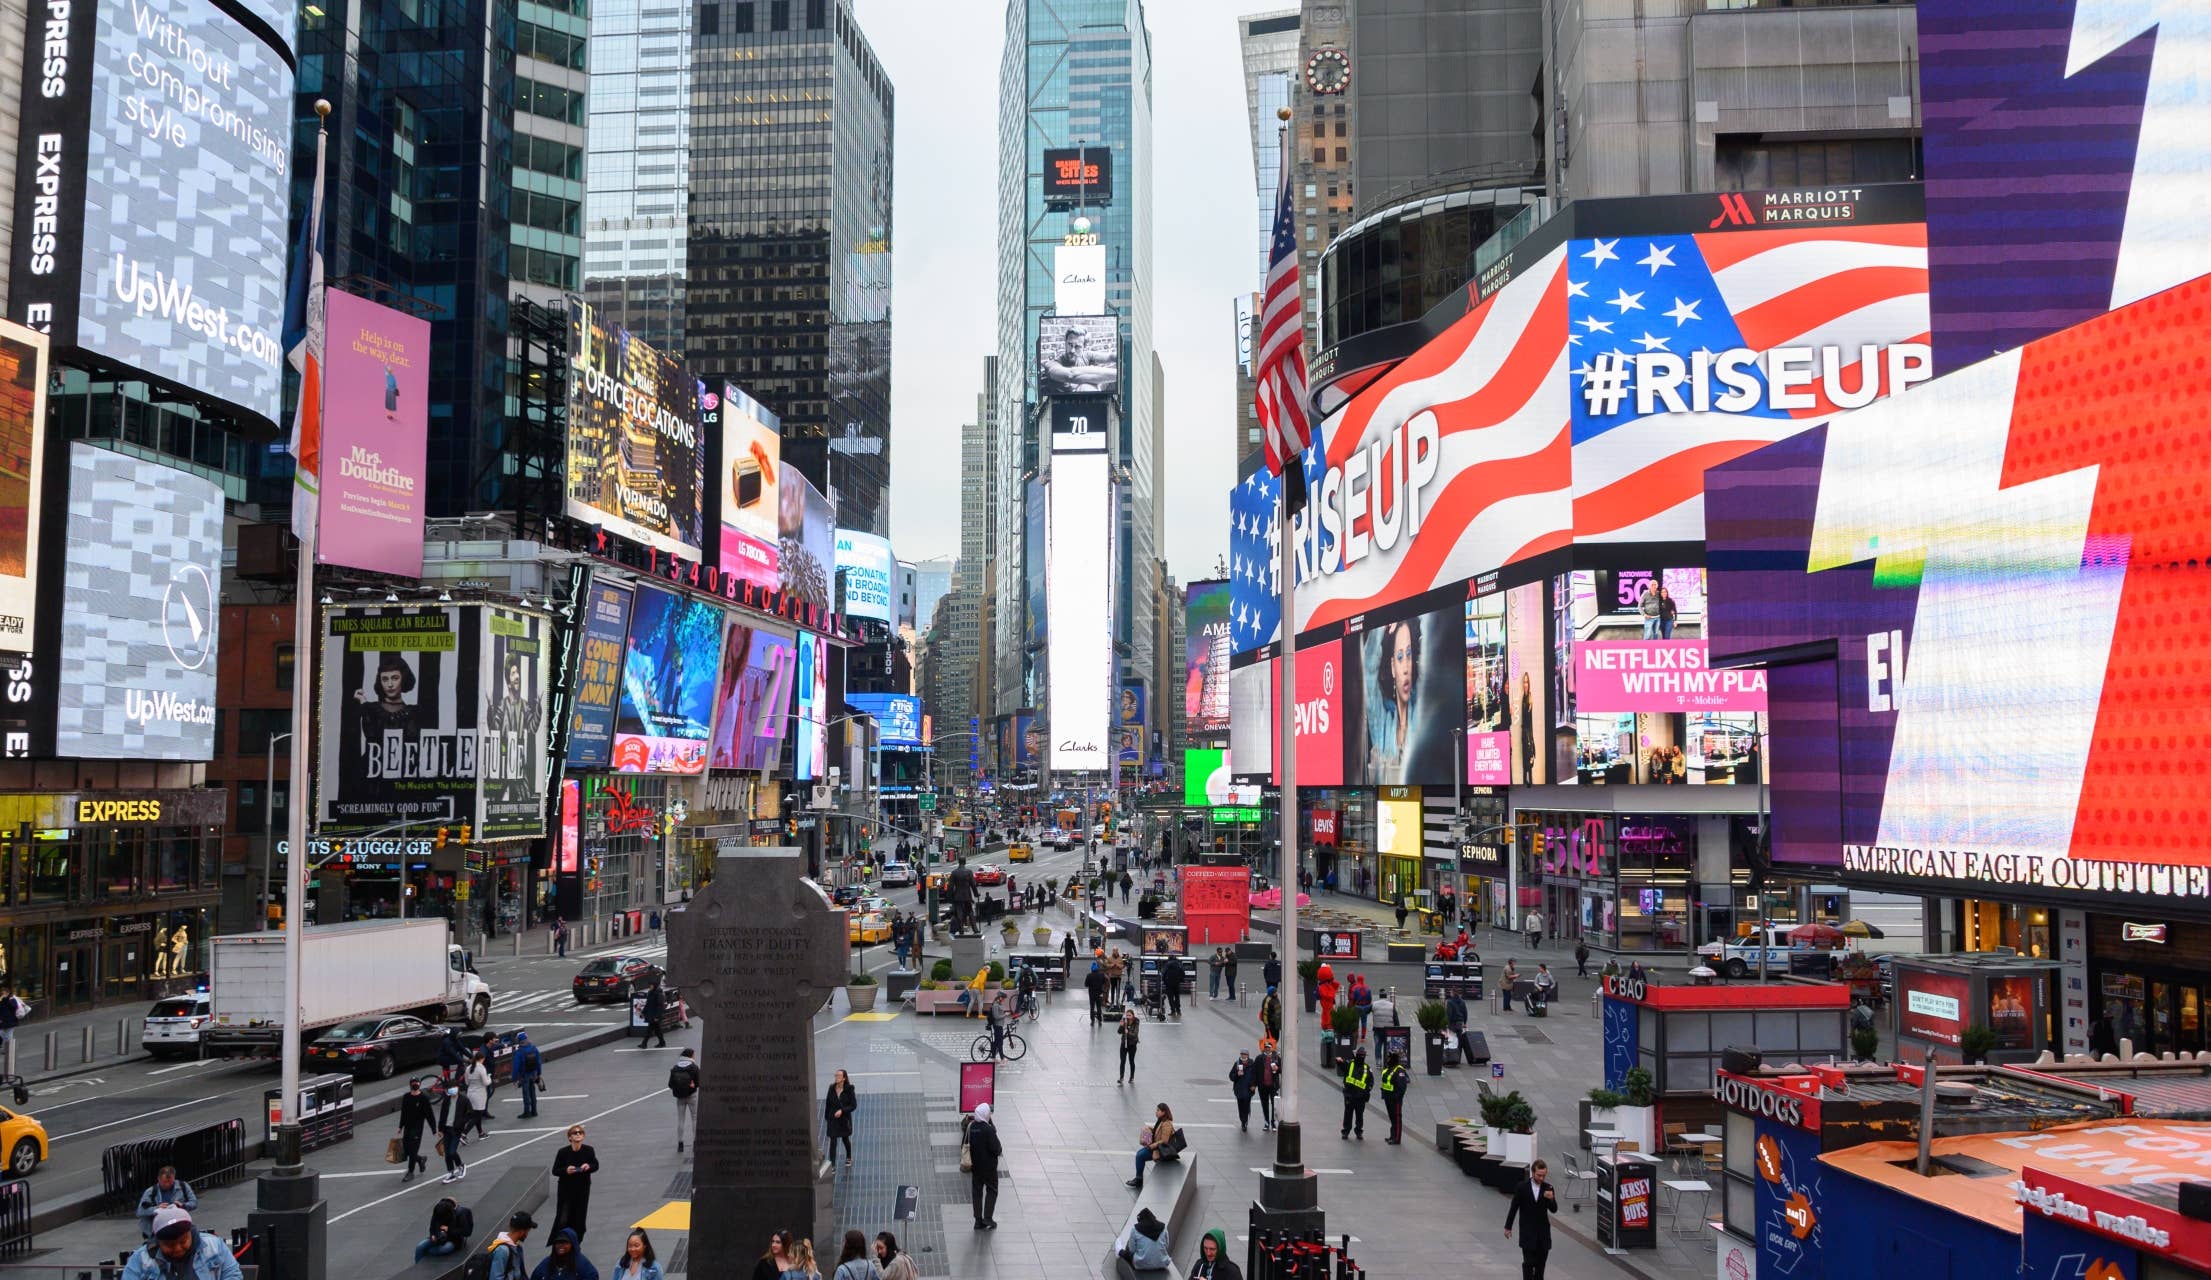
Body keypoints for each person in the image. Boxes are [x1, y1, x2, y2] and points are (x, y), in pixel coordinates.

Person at [124, 1207, 241, 1280]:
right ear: (158, 1241)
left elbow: (233, 1275)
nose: (178, 1248)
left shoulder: (215, 1246)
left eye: (183, 1241)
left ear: (190, 1232)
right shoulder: (140, 1260)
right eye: (169, 1245)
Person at [1505, 1159, 1560, 1280]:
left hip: (1543, 1234)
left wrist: (1551, 1199)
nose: (1541, 1178)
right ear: (1533, 1173)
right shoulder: (1522, 1187)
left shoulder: (1548, 1188)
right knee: (1528, 1264)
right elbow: (1514, 1208)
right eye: (1539, 1175)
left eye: (1543, 1176)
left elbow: (1554, 1209)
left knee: (1540, 1268)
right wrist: (1508, 1227)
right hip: (1528, 1233)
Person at [552, 1124, 599, 1239]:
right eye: (575, 1133)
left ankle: (577, 1239)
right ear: (570, 1138)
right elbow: (555, 1170)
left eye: (580, 1133)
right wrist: (566, 1170)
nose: (578, 1134)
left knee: (580, 1217)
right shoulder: (563, 1152)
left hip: (582, 1189)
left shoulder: (588, 1150)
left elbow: (595, 1165)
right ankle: (562, 1239)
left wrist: (588, 1166)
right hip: (566, 1190)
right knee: (563, 1216)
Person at [965, 1102, 1002, 1230]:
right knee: (992, 1190)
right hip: (989, 1168)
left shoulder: (971, 1126)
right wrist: (992, 1125)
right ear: (986, 1115)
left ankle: (978, 1220)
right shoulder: (988, 1129)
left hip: (976, 1167)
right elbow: (997, 1149)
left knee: (977, 1193)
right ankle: (988, 1217)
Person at [1127, 1103, 1179, 1189]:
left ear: (1164, 1112)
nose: (1156, 1112)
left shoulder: (1166, 1124)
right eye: (1156, 1110)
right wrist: (1148, 1129)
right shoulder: (1161, 1120)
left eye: (1158, 1110)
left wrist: (1151, 1146)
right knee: (1139, 1154)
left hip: (1161, 1150)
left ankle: (1138, 1180)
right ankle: (1138, 1179)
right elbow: (1157, 1131)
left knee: (1140, 1156)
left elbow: (1164, 1141)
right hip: (1156, 1146)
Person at [137, 1166, 198, 1238]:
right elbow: (140, 1212)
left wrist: (183, 1206)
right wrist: (156, 1208)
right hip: (156, 1228)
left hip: (177, 1224)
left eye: (170, 1182)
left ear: (174, 1178)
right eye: (164, 1182)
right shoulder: (150, 1191)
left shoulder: (183, 1186)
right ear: (158, 1179)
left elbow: (194, 1202)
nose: (167, 1184)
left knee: (194, 1236)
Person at [399, 1076, 437, 1181]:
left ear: (419, 1084)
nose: (415, 1084)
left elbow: (430, 1115)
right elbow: (404, 1113)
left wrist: (434, 1129)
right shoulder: (406, 1097)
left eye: (416, 1082)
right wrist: (400, 1127)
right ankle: (420, 1159)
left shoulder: (423, 1098)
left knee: (413, 1150)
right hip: (407, 1127)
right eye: (413, 1082)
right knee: (406, 1150)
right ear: (410, 1084)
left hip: (417, 1128)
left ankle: (410, 1172)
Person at [433, 1078, 467, 1183]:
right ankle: (451, 1172)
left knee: (452, 1152)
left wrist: (461, 1122)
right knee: (447, 1153)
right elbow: (442, 1115)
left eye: (453, 1087)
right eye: (450, 1088)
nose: (451, 1090)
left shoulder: (464, 1100)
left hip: (456, 1129)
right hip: (447, 1129)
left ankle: (461, 1165)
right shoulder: (446, 1100)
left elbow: (469, 1114)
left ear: (457, 1088)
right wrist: (440, 1129)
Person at [415, 1196, 469, 1262]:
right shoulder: (437, 1212)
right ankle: (418, 1264)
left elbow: (466, 1232)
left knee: (446, 1248)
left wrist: (448, 1229)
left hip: (453, 1240)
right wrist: (432, 1235)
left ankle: (427, 1254)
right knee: (419, 1247)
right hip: (438, 1238)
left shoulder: (459, 1214)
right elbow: (432, 1227)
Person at [530, 1228, 597, 1280]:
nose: (561, 1246)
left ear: (572, 1245)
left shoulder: (582, 1263)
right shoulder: (547, 1262)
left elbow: (593, 1276)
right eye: (558, 1242)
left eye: (565, 1242)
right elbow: (535, 1276)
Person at [824, 1068, 857, 1168]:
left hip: (843, 1119)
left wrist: (842, 1111)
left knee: (845, 1139)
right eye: (836, 1075)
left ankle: (849, 1157)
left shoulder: (849, 1089)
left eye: (838, 1076)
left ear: (844, 1078)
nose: (836, 1077)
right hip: (833, 1119)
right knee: (833, 1141)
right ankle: (832, 1165)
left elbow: (853, 1105)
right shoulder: (831, 1088)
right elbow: (828, 1103)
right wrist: (827, 1117)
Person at [669, 1048, 700, 1152]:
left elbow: (670, 1084)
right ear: (691, 1055)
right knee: (694, 1118)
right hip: (692, 1096)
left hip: (680, 1098)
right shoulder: (694, 1067)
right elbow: (699, 1083)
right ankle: (695, 1143)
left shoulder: (675, 1067)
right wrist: (692, 1086)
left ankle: (680, 1144)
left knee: (681, 1120)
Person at [1122, 1208, 1171, 1272]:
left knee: (1129, 1246)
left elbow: (1132, 1249)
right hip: (1163, 1263)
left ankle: (1121, 1252)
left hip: (1141, 1264)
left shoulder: (1135, 1229)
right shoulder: (1163, 1228)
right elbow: (1166, 1246)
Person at [1340, 1045, 1372, 1139]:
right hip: (1350, 1095)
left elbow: (1370, 1082)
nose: (1361, 1057)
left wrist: (1366, 1091)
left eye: (1363, 1055)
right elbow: (1343, 1066)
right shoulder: (1350, 1064)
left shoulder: (1367, 1068)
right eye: (1360, 1055)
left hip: (1360, 1097)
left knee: (1359, 1115)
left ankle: (1358, 1131)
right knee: (1348, 1114)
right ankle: (1346, 1131)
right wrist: (1339, 1061)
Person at [1379, 1050, 1410, 1144]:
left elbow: (1402, 1087)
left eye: (1389, 1057)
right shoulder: (1388, 1068)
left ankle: (1396, 1139)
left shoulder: (1399, 1070)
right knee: (1392, 1118)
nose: (1387, 1059)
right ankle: (1392, 1136)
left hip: (1395, 1100)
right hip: (1388, 1098)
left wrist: (1397, 1098)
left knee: (1396, 1118)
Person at [512, 1031, 544, 1119]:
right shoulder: (533, 1048)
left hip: (524, 1075)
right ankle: (534, 1111)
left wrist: (514, 1079)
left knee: (526, 1093)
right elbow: (538, 1062)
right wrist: (539, 1073)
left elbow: (516, 1067)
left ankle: (527, 1112)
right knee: (532, 1092)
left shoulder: (519, 1052)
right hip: (533, 1073)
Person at [1255, 1038, 1282, 1131]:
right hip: (1263, 1085)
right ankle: (1266, 1121)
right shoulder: (1259, 1058)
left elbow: (1282, 1070)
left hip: (1273, 1085)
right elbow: (1255, 1072)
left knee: (1274, 1104)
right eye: (1266, 1047)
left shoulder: (1276, 1058)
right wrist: (1255, 1084)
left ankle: (1273, 1122)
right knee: (1264, 1104)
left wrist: (1277, 1068)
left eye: (1269, 1047)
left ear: (1272, 1048)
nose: (1267, 1049)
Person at [465, 1050, 494, 1138]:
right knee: (477, 1116)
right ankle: (464, 1134)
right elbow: (486, 1082)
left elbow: (466, 1082)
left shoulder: (468, 1068)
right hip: (479, 1094)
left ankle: (480, 1133)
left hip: (470, 1093)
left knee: (476, 1114)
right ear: (481, 1059)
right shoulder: (481, 1068)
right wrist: (489, 1077)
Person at [1228, 1049, 1257, 1132]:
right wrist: (1237, 1074)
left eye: (1245, 1054)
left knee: (1246, 1106)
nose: (1243, 1055)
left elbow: (1255, 1076)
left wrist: (1254, 1085)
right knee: (1240, 1107)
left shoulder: (1252, 1064)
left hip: (1248, 1090)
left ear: (1248, 1055)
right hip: (1239, 1090)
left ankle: (1244, 1122)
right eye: (1242, 1054)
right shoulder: (1237, 1064)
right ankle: (1242, 1120)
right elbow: (1231, 1076)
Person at [640, 981, 668, 1049]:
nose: (650, 986)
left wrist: (657, 1016)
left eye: (651, 985)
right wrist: (643, 1012)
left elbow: (660, 1006)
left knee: (650, 1029)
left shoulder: (658, 993)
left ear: (655, 986)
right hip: (651, 1014)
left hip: (655, 1015)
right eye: (650, 985)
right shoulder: (650, 992)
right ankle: (662, 1042)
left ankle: (644, 1043)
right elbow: (648, 1004)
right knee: (657, 1030)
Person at [1118, 1004, 1141, 1084]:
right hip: (1124, 1044)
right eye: (1127, 1015)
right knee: (1122, 1061)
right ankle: (1121, 1077)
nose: (1128, 1017)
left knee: (1131, 1061)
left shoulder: (1136, 1022)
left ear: (1133, 1016)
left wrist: (1128, 1033)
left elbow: (1135, 1034)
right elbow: (1119, 1032)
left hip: (1132, 1044)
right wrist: (1121, 1026)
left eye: (1129, 1015)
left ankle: (1132, 1077)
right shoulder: (1124, 1021)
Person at [1085, 961, 1108, 1026]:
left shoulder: (1089, 975)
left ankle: (1092, 1020)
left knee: (1092, 1007)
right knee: (1099, 1007)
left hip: (1091, 993)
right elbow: (1104, 982)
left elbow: (1086, 984)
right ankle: (1100, 1020)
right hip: (1099, 993)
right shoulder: (1101, 975)